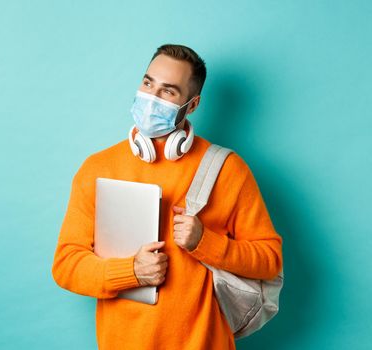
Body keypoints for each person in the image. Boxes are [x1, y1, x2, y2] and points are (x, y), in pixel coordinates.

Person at [51, 44, 283, 350]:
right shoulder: (97, 168)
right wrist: (130, 271)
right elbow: (67, 265)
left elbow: (270, 260)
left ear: (192, 104)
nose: (151, 98)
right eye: (148, 83)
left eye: (168, 91)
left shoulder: (227, 169)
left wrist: (205, 242)